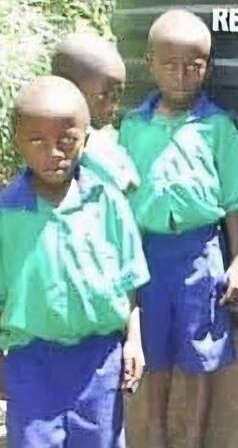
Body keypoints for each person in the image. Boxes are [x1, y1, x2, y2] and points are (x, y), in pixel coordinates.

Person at [118, 9, 238, 448]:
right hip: (147, 254)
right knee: (154, 352)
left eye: (193, 66)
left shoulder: (217, 126)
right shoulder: (132, 126)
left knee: (203, 352)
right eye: (169, 65)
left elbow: (235, 197)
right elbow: (118, 200)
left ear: (208, 67)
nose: (181, 76)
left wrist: (236, 261)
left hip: (201, 253)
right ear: (150, 64)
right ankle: (158, 435)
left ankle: (195, 438)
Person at [0, 76, 149, 447]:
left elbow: (129, 278)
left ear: (84, 138)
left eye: (67, 140)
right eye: (38, 141)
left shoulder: (108, 203)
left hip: (99, 360)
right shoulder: (6, 215)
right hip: (31, 360)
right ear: (16, 142)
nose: (54, 153)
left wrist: (134, 342)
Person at [52, 32, 139, 193]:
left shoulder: (101, 137)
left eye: (118, 96)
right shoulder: (56, 152)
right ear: (70, 88)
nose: (114, 106)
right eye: (106, 95)